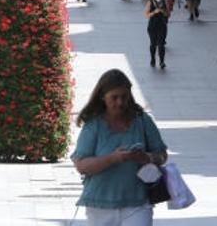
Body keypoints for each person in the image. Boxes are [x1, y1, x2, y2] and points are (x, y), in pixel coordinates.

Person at [71, 69, 168, 225]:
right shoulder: (93, 125)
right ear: (103, 97)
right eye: (114, 97)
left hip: (138, 203)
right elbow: (82, 166)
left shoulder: (142, 121)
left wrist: (147, 158)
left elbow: (162, 155)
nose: (120, 102)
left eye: (124, 97)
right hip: (99, 204)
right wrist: (112, 158)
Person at [145, 0, 172, 69]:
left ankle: (161, 61)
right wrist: (154, 12)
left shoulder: (165, 2)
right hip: (152, 26)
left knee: (161, 44)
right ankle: (153, 59)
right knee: (153, 44)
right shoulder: (150, 2)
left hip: (162, 25)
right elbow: (146, 15)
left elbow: (168, 14)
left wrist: (163, 12)